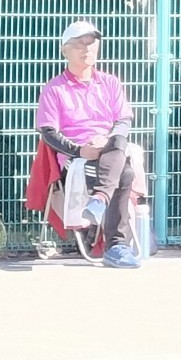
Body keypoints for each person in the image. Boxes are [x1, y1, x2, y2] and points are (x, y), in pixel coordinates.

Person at [35, 19, 139, 270]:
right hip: (77, 156)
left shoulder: (110, 82)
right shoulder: (54, 89)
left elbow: (123, 121)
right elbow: (48, 133)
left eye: (91, 43)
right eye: (79, 44)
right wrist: (80, 150)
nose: (87, 48)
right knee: (125, 173)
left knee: (118, 143)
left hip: (109, 146)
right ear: (65, 50)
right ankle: (117, 245)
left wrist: (107, 139)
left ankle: (100, 200)